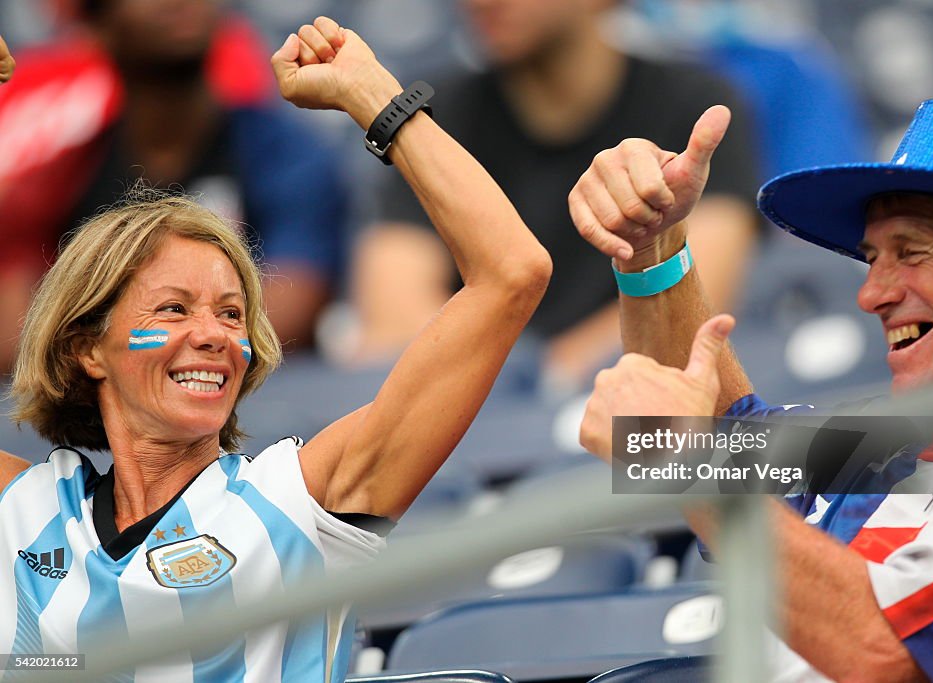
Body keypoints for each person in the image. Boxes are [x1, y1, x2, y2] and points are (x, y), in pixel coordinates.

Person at [0, 17, 551, 681]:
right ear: (88, 348)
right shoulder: (24, 506)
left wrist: (374, 96)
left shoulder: (298, 504)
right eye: (174, 308)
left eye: (232, 313)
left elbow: (511, 273)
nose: (214, 334)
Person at [573, 100, 933, 681]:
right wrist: (648, 248)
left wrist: (687, 468)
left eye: (912, 252)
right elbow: (697, 445)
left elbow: (884, 658)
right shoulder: (891, 443)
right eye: (872, 260)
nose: (871, 295)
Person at [348, 0, 759, 392]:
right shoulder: (435, 117)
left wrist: (555, 379)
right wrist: (514, 386)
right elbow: (393, 312)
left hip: (625, 399)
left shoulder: (692, 103)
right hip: (472, 414)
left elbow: (699, 301)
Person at [0, 0, 346, 373]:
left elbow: (287, 316)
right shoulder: (63, 174)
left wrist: (110, 353)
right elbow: (15, 336)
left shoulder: (287, 154)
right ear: (94, 26)